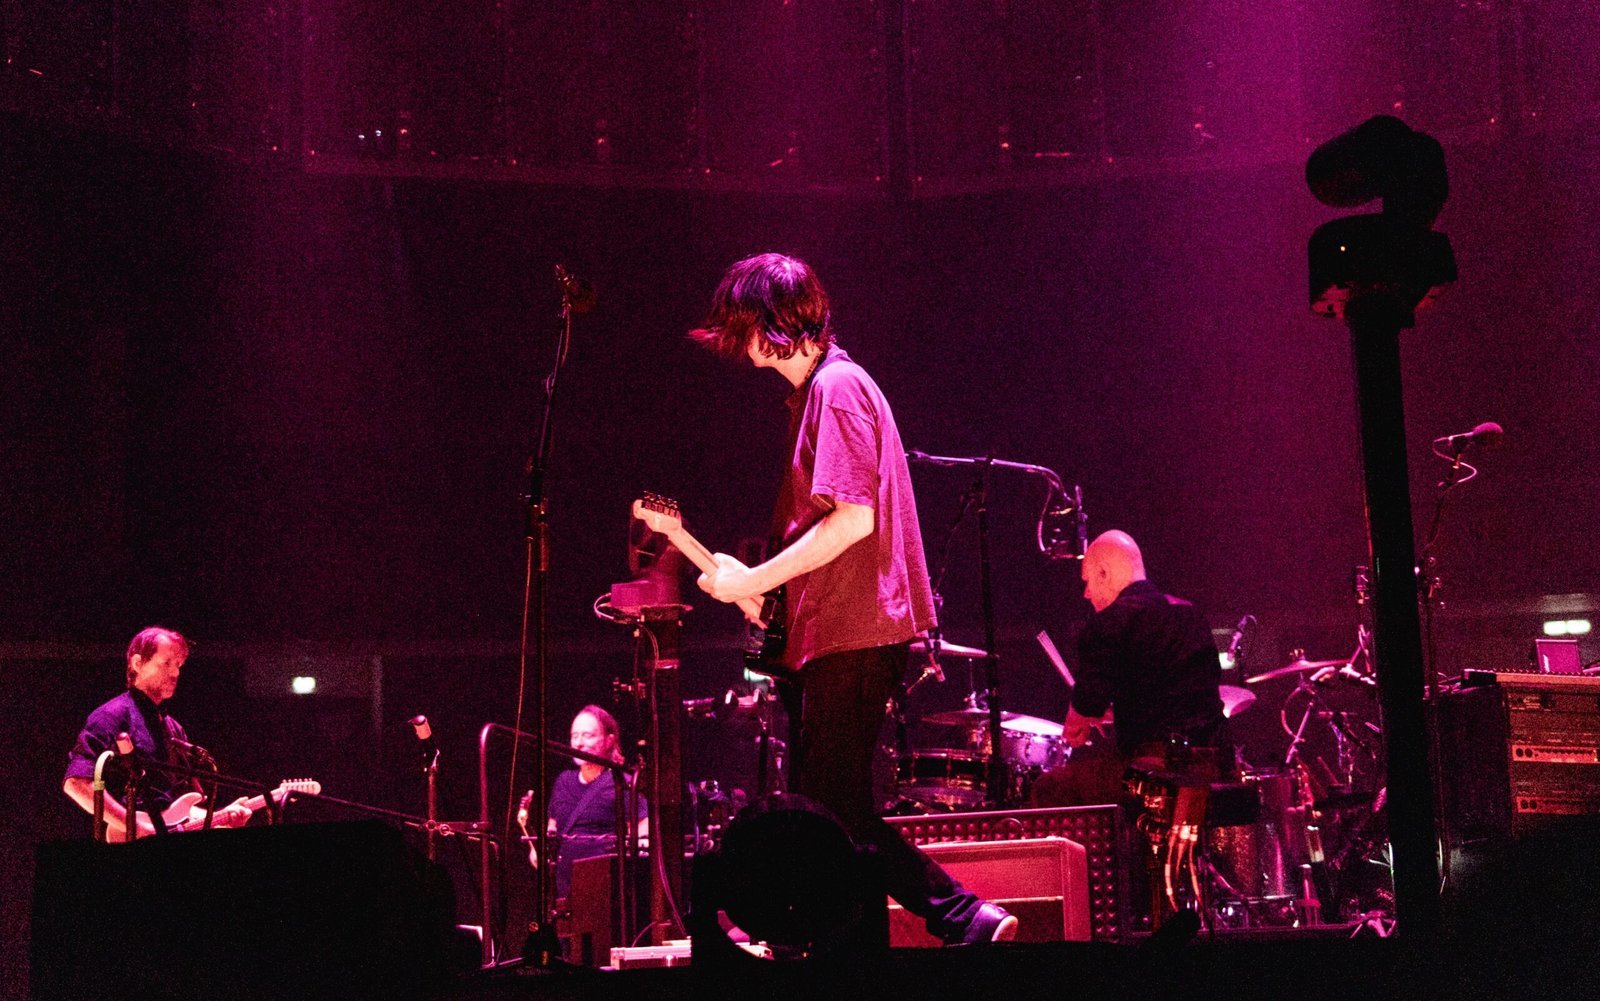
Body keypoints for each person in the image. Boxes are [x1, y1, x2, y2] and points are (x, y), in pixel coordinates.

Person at [691, 253, 1016, 944]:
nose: (736, 340)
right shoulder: (817, 396)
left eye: (743, 322)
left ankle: (959, 913)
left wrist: (752, 578)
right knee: (822, 811)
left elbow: (854, 520)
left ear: (773, 319)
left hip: (858, 630)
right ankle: (840, 943)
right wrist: (768, 595)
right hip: (832, 628)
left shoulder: (837, 388)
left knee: (833, 806)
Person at [1031, 530, 1229, 807]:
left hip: (1155, 772)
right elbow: (1168, 692)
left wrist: (1075, 723)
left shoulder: (1108, 624)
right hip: (1214, 765)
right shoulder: (1191, 614)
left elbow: (1085, 707)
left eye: (1087, 582)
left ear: (1104, 573)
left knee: (1050, 788)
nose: (1086, 594)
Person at [62, 626, 254, 838]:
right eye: (166, 663)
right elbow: (76, 783)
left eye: (179, 665)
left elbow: (177, 810)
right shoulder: (111, 716)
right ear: (137, 664)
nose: (176, 672)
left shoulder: (174, 729)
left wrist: (219, 816)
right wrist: (136, 826)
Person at [518, 705, 648, 901]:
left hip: (606, 893)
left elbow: (643, 842)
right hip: (564, 892)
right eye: (574, 736)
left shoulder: (623, 784)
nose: (578, 743)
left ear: (608, 740)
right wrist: (537, 850)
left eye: (587, 735)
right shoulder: (563, 782)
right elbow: (552, 834)